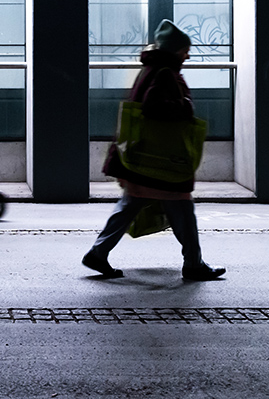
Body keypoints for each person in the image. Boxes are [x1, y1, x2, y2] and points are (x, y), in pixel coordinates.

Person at [82, 19, 226, 281]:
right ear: (174, 51)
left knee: (131, 203)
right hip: (159, 159)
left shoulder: (152, 68)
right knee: (182, 207)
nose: (188, 55)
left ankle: (98, 252)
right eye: (185, 50)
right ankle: (193, 265)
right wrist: (184, 106)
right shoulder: (165, 73)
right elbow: (155, 106)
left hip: (140, 155)